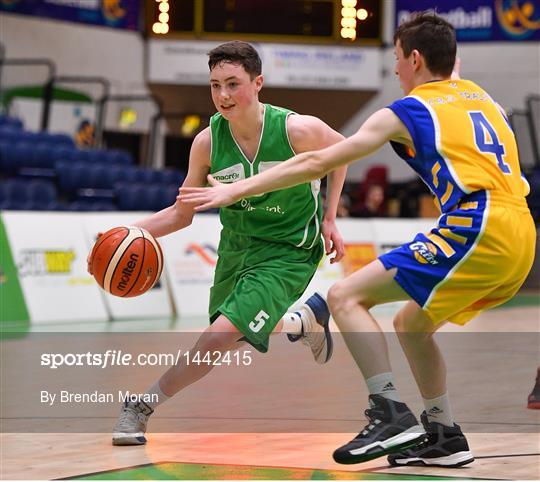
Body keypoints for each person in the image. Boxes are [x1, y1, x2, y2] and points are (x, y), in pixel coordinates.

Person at [179, 14, 536, 467]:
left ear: (415, 59)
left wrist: (235, 188)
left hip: (480, 225)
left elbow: (318, 162)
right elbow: (455, 71)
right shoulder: (482, 98)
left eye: (396, 60)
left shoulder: (408, 110)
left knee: (345, 295)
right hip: (522, 232)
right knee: (412, 325)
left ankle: (390, 413)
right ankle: (444, 432)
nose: (394, 71)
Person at [88, 41, 348, 445]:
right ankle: (303, 321)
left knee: (218, 337)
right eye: (215, 85)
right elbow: (181, 213)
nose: (223, 95)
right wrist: (121, 234)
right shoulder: (207, 142)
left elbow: (343, 151)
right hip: (237, 249)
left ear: (258, 83)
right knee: (235, 333)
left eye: (233, 84)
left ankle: (140, 406)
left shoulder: (296, 129)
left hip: (289, 250)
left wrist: (330, 217)